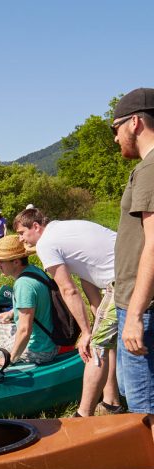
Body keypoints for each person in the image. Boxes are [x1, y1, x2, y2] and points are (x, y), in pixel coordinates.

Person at [14, 207, 120, 417]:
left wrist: (87, 333)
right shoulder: (64, 229)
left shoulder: (46, 243)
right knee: (107, 341)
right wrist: (95, 322)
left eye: (22, 233)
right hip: (130, 270)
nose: (20, 239)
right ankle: (111, 402)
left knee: (96, 346)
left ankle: (83, 414)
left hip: (123, 280)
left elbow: (68, 289)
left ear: (36, 226)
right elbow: (89, 284)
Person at [111, 87, 154, 413]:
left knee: (145, 407)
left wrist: (136, 314)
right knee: (132, 393)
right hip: (132, 301)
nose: (115, 138)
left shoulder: (150, 170)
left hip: (143, 306)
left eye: (116, 129)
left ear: (135, 123)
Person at [0, 235, 58, 365]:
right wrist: (13, 312)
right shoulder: (34, 271)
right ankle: (4, 353)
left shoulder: (24, 285)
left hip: (40, 348)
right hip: (48, 336)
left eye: (1, 261)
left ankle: (8, 364)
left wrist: (9, 359)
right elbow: (33, 302)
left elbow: (25, 330)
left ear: (16, 262)